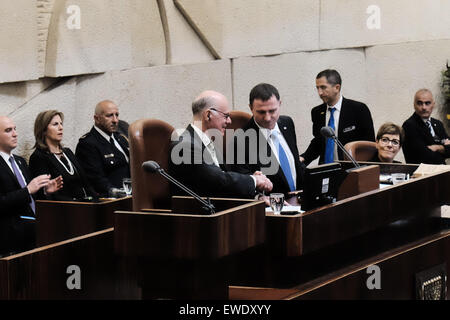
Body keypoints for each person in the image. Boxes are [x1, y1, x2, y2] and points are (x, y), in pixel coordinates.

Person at [169, 90, 273, 199]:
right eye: (226, 116)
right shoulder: (184, 146)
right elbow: (218, 181)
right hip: (201, 214)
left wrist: (257, 196)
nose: (229, 121)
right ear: (208, 115)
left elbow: (224, 183)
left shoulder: (207, 143)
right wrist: (254, 180)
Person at [0, 116, 62, 256]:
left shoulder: (20, 161)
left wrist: (46, 191)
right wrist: (27, 190)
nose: (15, 134)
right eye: (8, 130)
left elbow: (30, 198)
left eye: (15, 129)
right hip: (11, 239)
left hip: (34, 232)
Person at [231, 83, 305, 200]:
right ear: (251, 108)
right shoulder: (241, 139)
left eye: (272, 111)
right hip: (273, 208)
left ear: (280, 104)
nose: (267, 117)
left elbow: (294, 163)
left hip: (300, 201)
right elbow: (242, 183)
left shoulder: (287, 123)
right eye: (261, 112)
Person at [300, 69, 375, 166]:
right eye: (317, 88)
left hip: (352, 170)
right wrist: (303, 158)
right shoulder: (317, 112)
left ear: (337, 87)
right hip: (326, 169)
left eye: (323, 87)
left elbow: (369, 145)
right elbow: (318, 142)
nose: (320, 93)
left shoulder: (359, 109)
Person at [29, 110, 97, 201]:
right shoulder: (39, 157)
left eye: (61, 124)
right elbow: (45, 195)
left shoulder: (67, 152)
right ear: (44, 130)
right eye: (55, 124)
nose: (60, 127)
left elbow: (86, 183)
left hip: (86, 205)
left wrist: (96, 201)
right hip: (64, 209)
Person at [75, 100, 130, 197]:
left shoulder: (121, 138)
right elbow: (96, 179)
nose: (115, 120)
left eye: (117, 115)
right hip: (110, 201)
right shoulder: (88, 144)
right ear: (97, 119)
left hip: (130, 196)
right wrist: (116, 192)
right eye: (109, 116)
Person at [402, 89, 450, 164]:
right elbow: (424, 156)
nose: (424, 107)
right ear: (414, 105)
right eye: (420, 103)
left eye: (427, 103)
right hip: (421, 173)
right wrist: (444, 148)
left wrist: (437, 147)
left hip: (441, 172)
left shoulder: (438, 124)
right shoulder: (409, 125)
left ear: (433, 105)